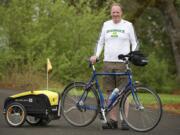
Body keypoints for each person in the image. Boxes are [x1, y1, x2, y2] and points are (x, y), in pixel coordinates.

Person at [90, 3, 138, 130]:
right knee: (110, 92)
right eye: (113, 12)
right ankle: (112, 120)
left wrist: (131, 55)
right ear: (110, 13)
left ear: (121, 13)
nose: (115, 14)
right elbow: (101, 42)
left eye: (117, 12)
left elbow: (134, 42)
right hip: (108, 62)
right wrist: (96, 55)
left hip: (123, 63)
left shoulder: (128, 25)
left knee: (124, 93)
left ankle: (124, 120)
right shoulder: (106, 25)